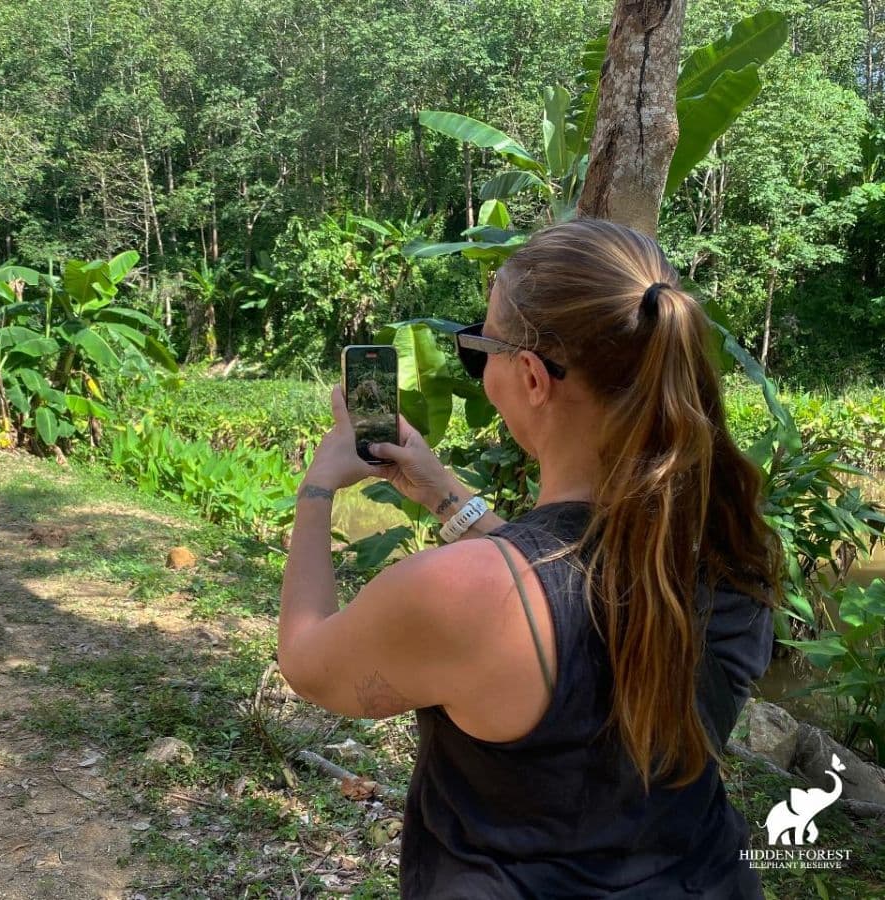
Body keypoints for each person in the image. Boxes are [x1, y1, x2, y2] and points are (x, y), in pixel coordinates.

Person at [276, 218, 782, 898]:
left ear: (532, 377)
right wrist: (441, 491)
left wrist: (317, 486)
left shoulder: (459, 594)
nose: (479, 367)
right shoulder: (725, 546)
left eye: (479, 346)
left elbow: (308, 662)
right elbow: (570, 581)